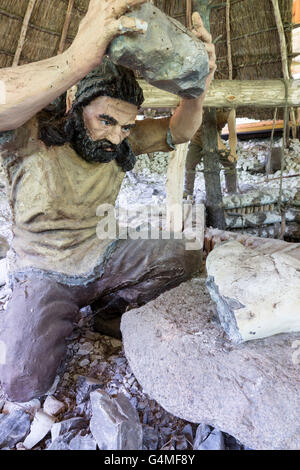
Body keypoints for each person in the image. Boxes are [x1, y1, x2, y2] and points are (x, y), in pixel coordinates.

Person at [0, 0, 216, 402]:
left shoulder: (121, 143)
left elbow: (181, 130)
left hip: (103, 254)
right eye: (106, 121)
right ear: (75, 104)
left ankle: (108, 313)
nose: (118, 136)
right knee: (22, 381)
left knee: (184, 255)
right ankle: (59, 315)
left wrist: (197, 88)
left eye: (126, 125)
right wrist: (77, 60)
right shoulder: (30, 139)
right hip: (45, 272)